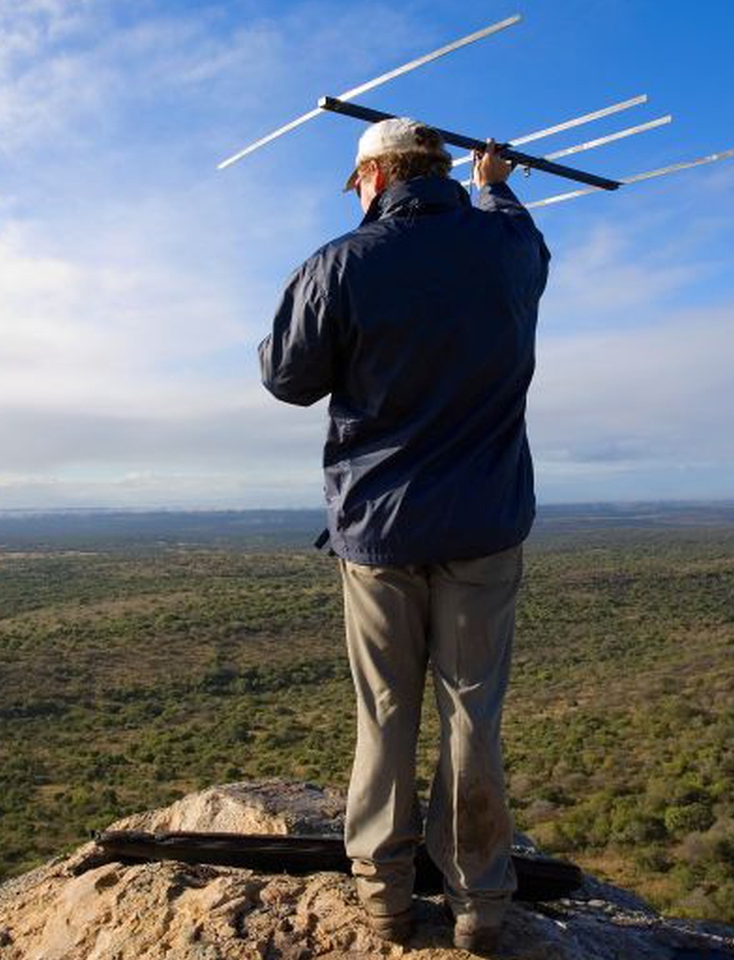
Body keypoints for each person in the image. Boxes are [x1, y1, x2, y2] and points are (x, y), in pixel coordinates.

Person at [256, 116, 549, 953]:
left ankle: (385, 901)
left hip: (380, 531)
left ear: (373, 178)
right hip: (486, 526)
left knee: (386, 716)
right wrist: (493, 184)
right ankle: (481, 909)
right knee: (472, 715)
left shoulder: (341, 264)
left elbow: (286, 379)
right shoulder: (508, 250)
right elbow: (514, 228)